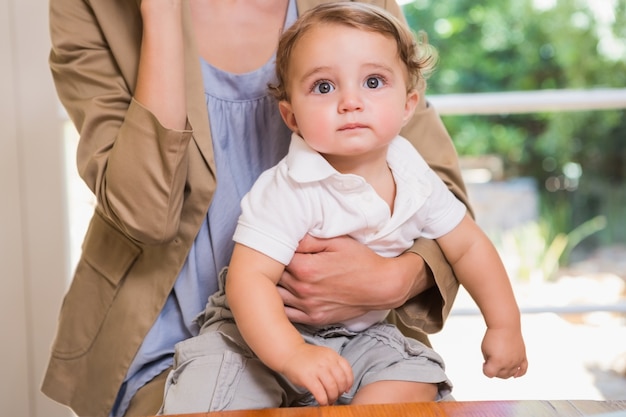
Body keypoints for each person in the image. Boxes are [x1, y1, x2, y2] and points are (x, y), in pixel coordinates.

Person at [42, 1, 472, 416]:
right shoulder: (92, 6)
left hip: (354, 335)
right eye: (323, 87)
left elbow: (441, 192)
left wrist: (392, 279)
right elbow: (146, 215)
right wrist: (160, 13)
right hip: (166, 342)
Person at [159, 3, 527, 414]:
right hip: (257, 335)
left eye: (373, 81)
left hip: (361, 336)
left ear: (409, 104)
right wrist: (293, 355)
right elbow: (249, 282)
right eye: (323, 87)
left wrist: (504, 323)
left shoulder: (412, 172)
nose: (351, 101)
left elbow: (469, 247)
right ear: (291, 116)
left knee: (411, 379)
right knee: (212, 391)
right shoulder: (291, 185)